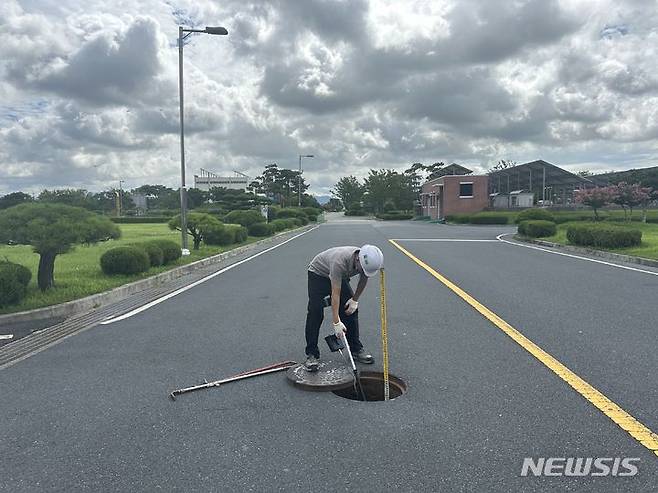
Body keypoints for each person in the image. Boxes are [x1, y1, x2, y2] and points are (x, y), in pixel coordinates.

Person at [303, 244, 384, 372]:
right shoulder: (339, 262)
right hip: (318, 273)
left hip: (340, 276)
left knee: (350, 308)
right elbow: (336, 294)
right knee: (315, 311)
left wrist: (354, 300)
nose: (362, 271)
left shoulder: (365, 261)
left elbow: (363, 279)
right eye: (362, 269)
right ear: (358, 259)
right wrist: (336, 322)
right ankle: (312, 354)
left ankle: (356, 349)